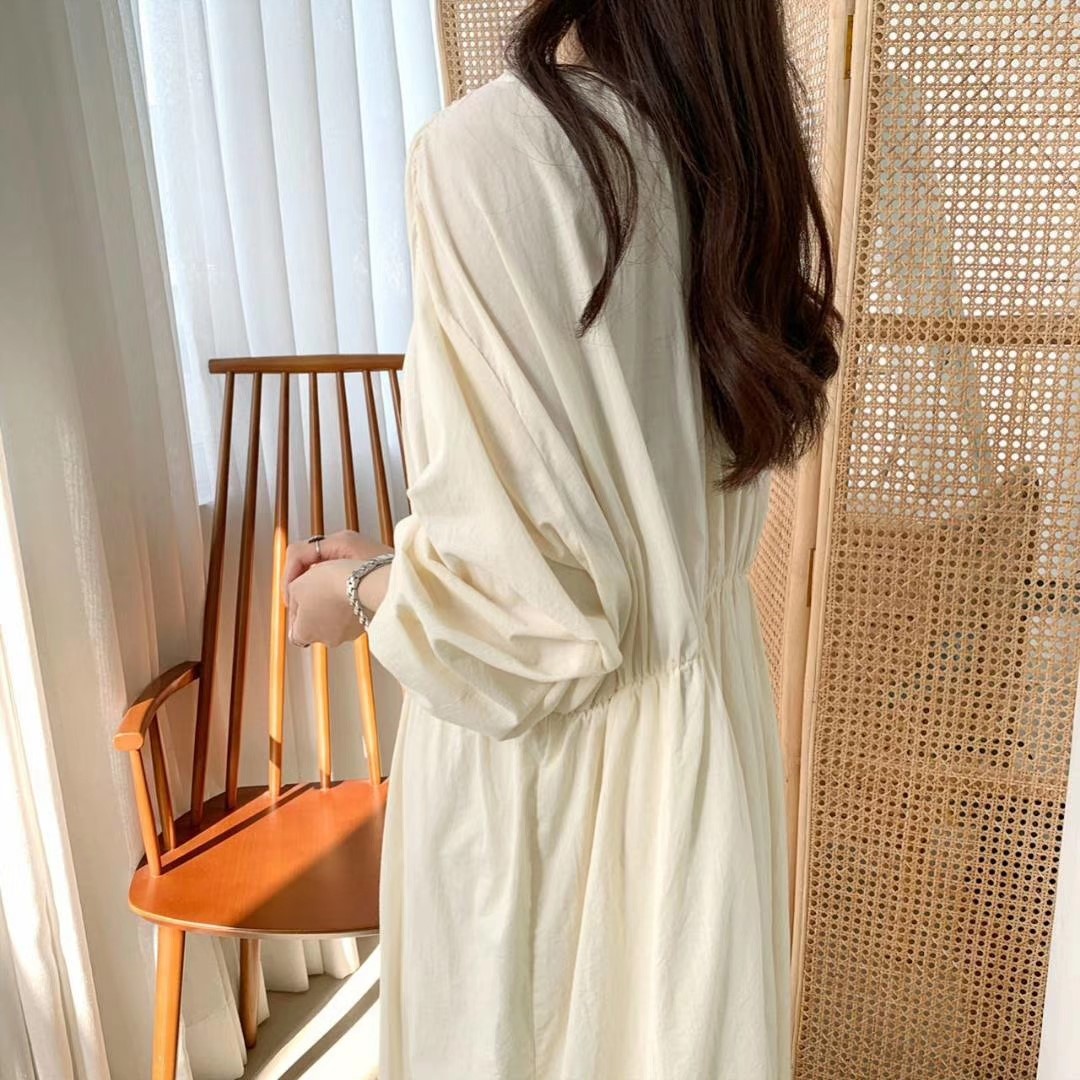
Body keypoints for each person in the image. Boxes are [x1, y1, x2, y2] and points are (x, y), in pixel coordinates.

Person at [283, 2, 840, 1076]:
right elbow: (584, 558)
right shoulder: (735, 150)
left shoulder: (487, 155)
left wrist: (355, 595)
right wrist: (400, 563)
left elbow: (523, 625)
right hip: (706, 750)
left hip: (549, 793)